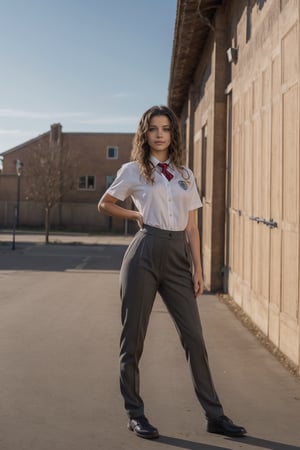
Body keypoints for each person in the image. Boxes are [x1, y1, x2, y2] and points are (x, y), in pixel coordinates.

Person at [98, 105, 246, 440]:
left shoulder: (185, 174)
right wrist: (134, 216)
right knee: (133, 339)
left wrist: (199, 269)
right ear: (145, 133)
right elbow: (104, 203)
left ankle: (215, 415)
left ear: (172, 134)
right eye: (154, 128)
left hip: (179, 257)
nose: (160, 134)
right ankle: (135, 414)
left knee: (195, 338)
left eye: (166, 128)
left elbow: (192, 227)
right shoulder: (133, 170)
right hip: (145, 254)